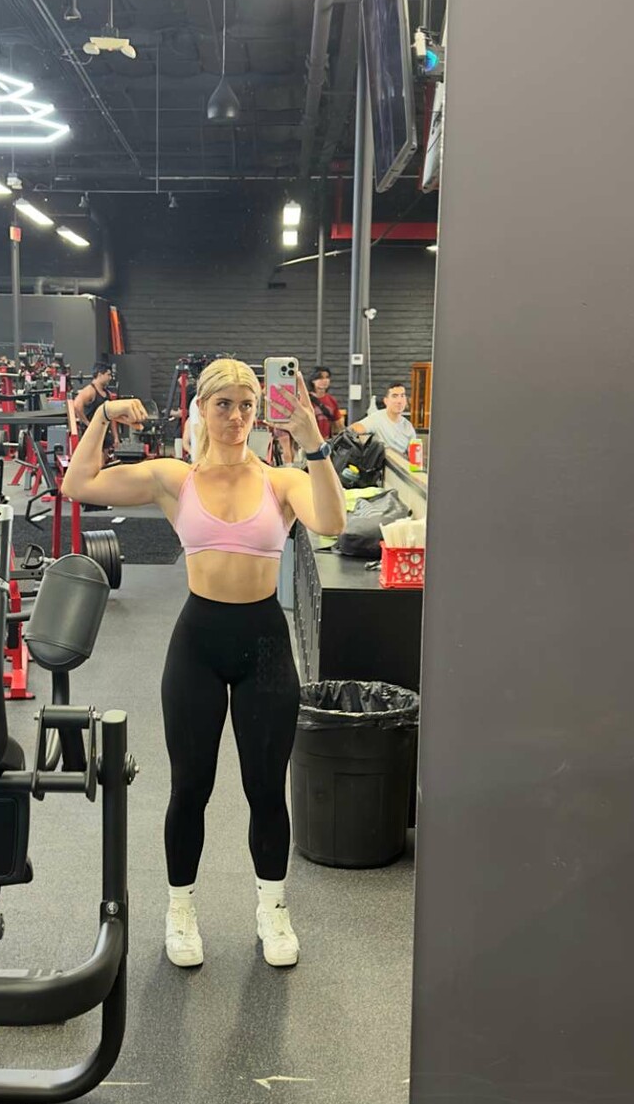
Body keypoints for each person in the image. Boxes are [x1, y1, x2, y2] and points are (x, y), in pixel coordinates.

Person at [64, 358, 346, 970]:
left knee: (265, 790)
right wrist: (102, 415)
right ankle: (180, 909)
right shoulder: (176, 479)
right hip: (198, 644)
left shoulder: (282, 481)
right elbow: (78, 484)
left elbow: (332, 521)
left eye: (247, 405)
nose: (236, 416)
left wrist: (314, 442)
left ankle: (272, 909)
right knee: (190, 787)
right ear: (202, 409)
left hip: (264, 645)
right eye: (224, 404)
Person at [351, 380, 418, 459]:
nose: (399, 401)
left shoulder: (408, 427)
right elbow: (353, 429)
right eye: (394, 396)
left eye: (402, 396)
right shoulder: (377, 418)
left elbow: (415, 457)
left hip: (399, 464)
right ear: (386, 401)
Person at [309, 366, 344, 440]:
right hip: (309, 441)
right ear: (313, 380)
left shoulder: (331, 400)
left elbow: (338, 425)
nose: (325, 380)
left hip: (326, 441)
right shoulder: (305, 399)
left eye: (327, 377)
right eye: (320, 378)